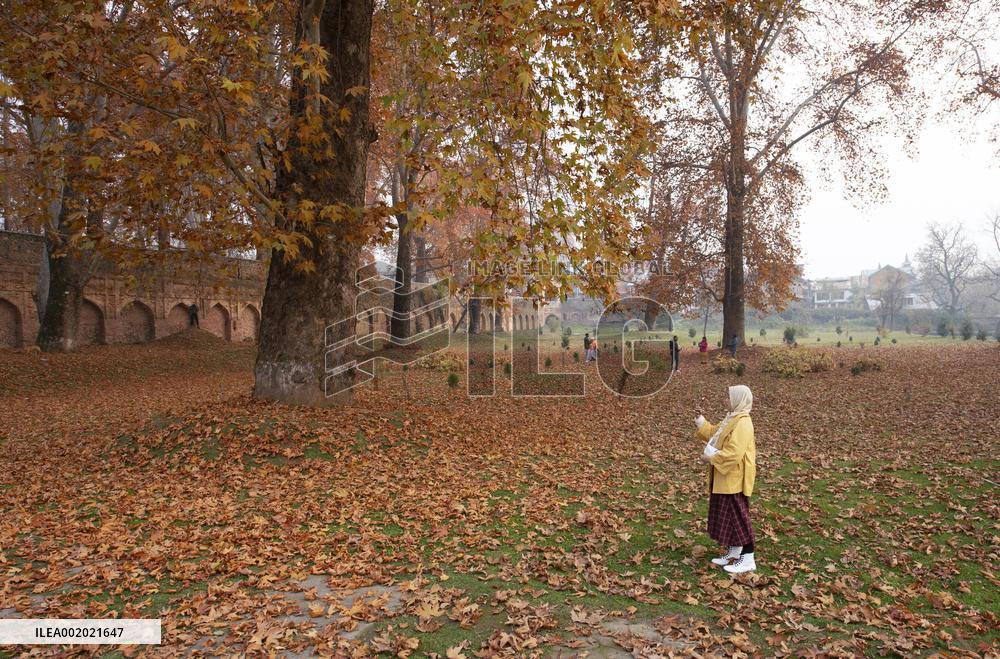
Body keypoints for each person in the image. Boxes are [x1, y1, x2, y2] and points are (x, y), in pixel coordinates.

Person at [694, 384, 757, 574]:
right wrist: (701, 421)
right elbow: (715, 434)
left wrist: (711, 458)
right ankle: (735, 552)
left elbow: (734, 452)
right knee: (727, 515)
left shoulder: (743, 422)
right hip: (725, 475)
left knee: (737, 516)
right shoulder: (731, 418)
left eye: (729, 397)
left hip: (734, 477)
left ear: (738, 400)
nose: (725, 400)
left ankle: (748, 557)